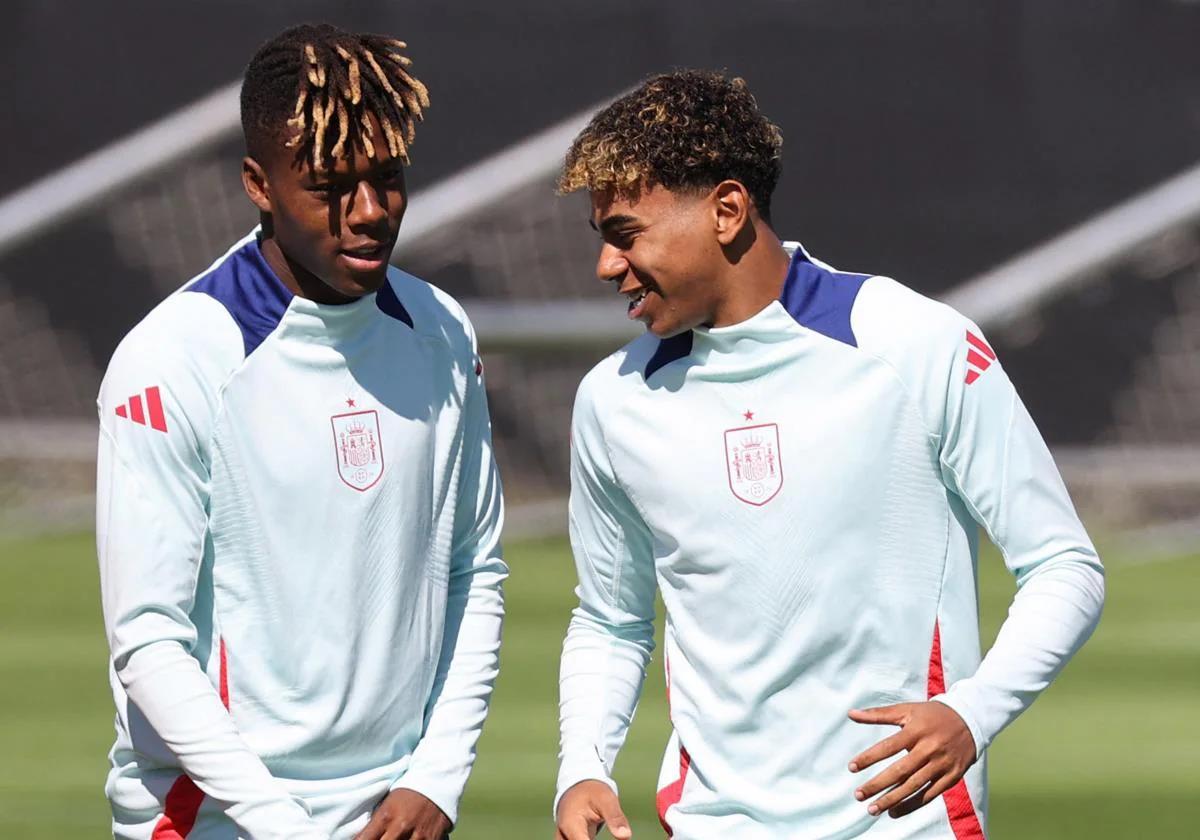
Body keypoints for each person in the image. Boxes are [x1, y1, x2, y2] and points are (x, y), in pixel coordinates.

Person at [553, 70, 1104, 839]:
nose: (608, 267)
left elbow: (1064, 565)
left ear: (727, 210)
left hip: (906, 825)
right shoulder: (612, 401)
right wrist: (582, 765)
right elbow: (611, 620)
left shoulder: (914, 343)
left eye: (627, 235)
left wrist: (971, 713)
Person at [96, 23, 506, 840]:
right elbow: (146, 640)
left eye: (388, 178)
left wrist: (437, 776)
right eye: (330, 186)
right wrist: (282, 824)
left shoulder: (442, 332)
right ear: (258, 182)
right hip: (219, 821)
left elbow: (476, 567)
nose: (369, 213)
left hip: (395, 814)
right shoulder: (174, 357)